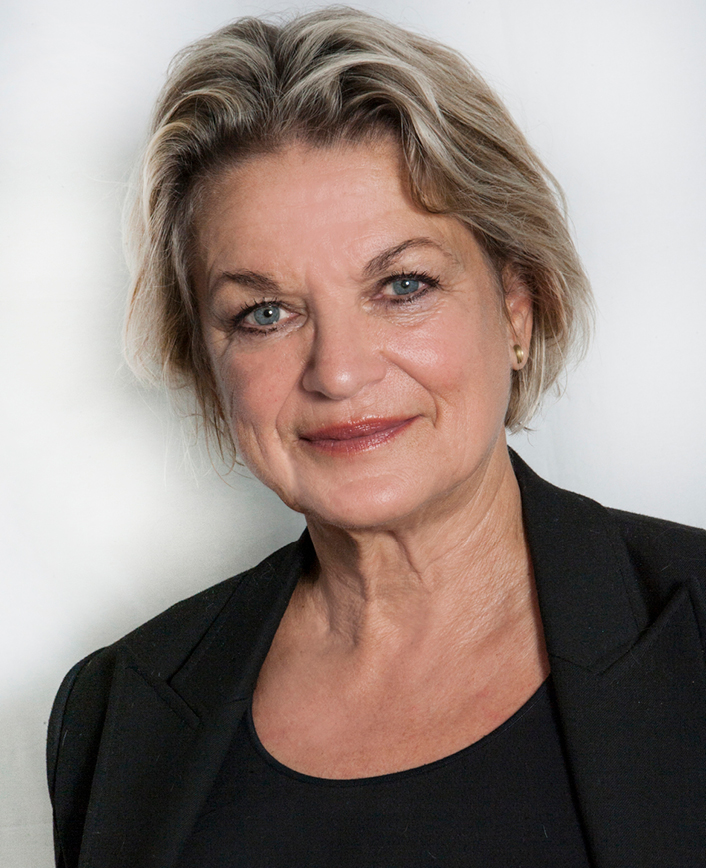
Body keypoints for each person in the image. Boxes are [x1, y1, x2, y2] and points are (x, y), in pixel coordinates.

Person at [47, 7, 706, 868]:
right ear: (208, 364)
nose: (339, 372)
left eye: (402, 285)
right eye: (265, 313)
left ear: (517, 308)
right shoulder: (116, 714)